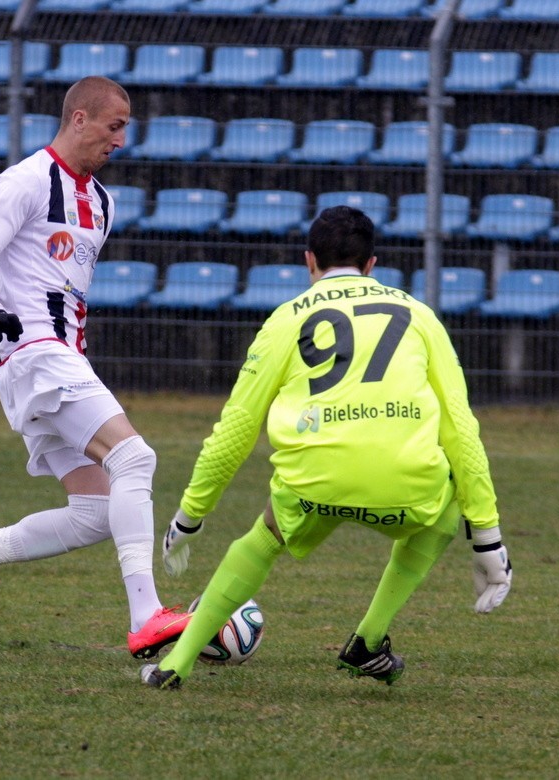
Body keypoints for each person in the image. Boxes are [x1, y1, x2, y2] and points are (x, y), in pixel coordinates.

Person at [141, 205, 512, 690]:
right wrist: (487, 535)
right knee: (446, 505)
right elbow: (461, 429)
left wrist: (191, 515)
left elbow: (236, 426)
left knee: (266, 535)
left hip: (312, 481)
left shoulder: (285, 320)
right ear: (373, 265)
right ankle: (368, 641)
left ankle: (174, 666)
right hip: (405, 483)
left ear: (308, 261)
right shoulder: (420, 316)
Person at [0, 76, 190, 659]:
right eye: (115, 127)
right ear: (80, 119)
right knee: (135, 457)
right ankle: (147, 616)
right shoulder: (26, 179)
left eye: (126, 129)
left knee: (94, 513)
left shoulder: (104, 203)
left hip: (58, 360)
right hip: (36, 354)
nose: (121, 141)